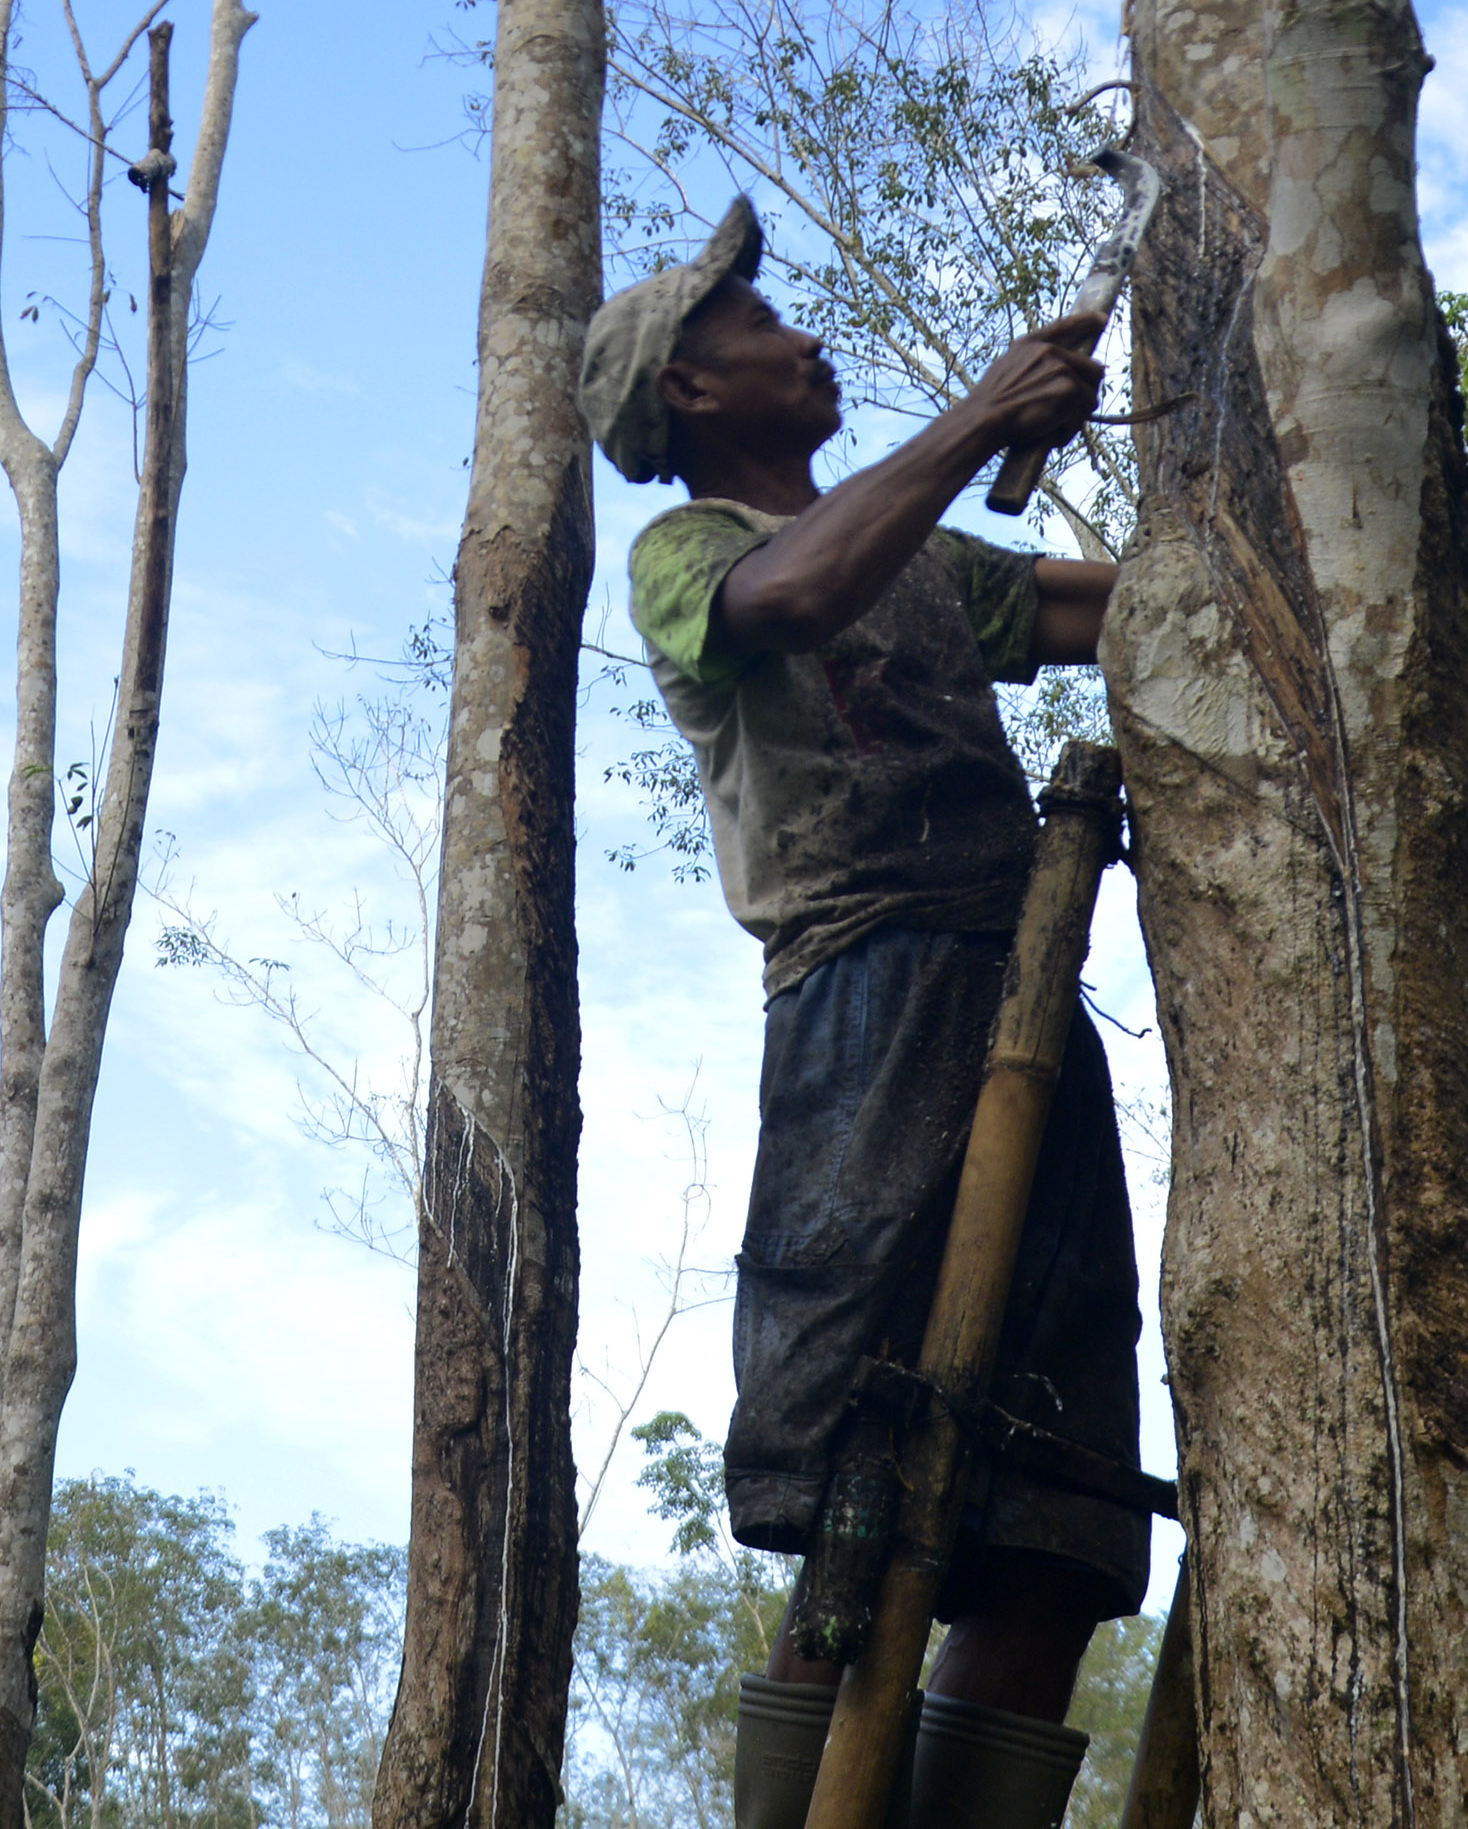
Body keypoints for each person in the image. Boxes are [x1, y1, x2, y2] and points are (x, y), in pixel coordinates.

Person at [579, 195, 1153, 1829]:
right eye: (761, 328)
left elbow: (1108, 609)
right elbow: (796, 605)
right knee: (856, 1479)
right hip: (866, 1011)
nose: (803, 338)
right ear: (691, 392)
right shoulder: (698, 554)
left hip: (1027, 998)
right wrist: (980, 409)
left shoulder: (932, 563)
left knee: (1057, 1510)